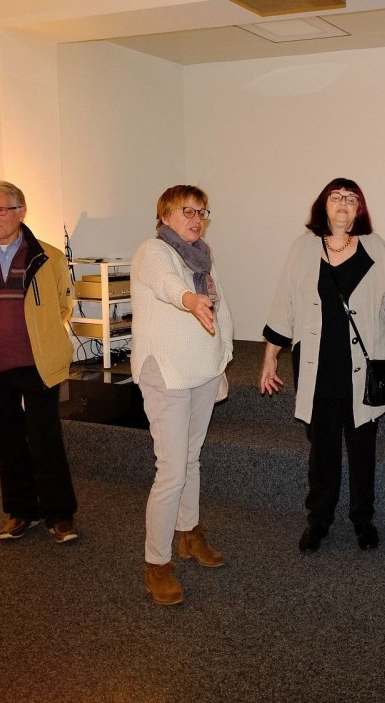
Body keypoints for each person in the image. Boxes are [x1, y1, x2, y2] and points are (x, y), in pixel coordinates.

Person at [260, 178, 385, 553]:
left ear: (359, 209)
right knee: (322, 450)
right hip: (318, 366)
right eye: (336, 197)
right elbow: (284, 303)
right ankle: (319, 521)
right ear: (324, 205)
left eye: (351, 199)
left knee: (362, 449)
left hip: (363, 365)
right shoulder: (303, 249)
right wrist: (269, 356)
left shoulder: (375, 246)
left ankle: (363, 520)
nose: (343, 203)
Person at [0, 179, 79, 544]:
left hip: (38, 364)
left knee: (45, 440)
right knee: (7, 441)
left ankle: (59, 514)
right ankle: (21, 511)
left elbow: (63, 305)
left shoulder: (49, 256)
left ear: (21, 211)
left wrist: (41, 336)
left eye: (0, 209)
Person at [131, 185, 234, 606]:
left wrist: (224, 355)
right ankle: (156, 562)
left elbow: (220, 309)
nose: (196, 219)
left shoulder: (202, 257)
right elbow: (168, 286)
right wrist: (190, 299)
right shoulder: (153, 252)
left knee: (191, 458)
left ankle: (189, 533)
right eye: (186, 211)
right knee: (172, 470)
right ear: (165, 216)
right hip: (167, 373)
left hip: (202, 369)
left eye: (201, 212)